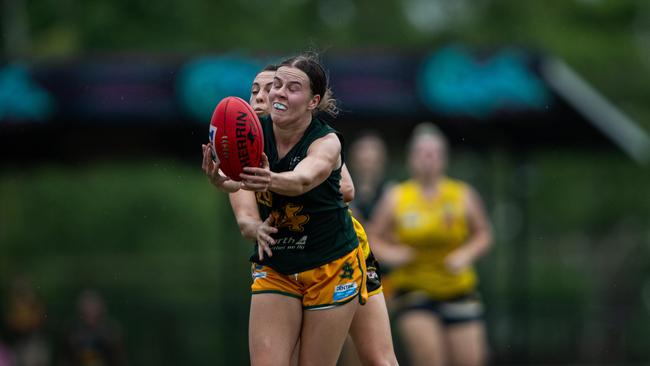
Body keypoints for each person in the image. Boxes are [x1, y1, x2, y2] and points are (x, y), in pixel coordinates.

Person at [201, 54, 371, 366]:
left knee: (376, 357)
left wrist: (271, 179)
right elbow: (238, 191)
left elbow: (305, 178)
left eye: (292, 88)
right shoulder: (252, 134)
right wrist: (222, 180)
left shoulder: (327, 141)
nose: (277, 92)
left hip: (331, 264)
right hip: (278, 263)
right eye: (276, 85)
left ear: (312, 101)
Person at [369, 122, 493, 366]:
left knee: (470, 360)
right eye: (422, 153)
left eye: (434, 153)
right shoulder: (397, 197)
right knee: (430, 359)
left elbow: (484, 233)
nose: (428, 159)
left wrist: (466, 254)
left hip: (457, 288)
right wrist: (393, 254)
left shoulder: (462, 195)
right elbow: (372, 237)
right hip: (414, 289)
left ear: (444, 158)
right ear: (411, 159)